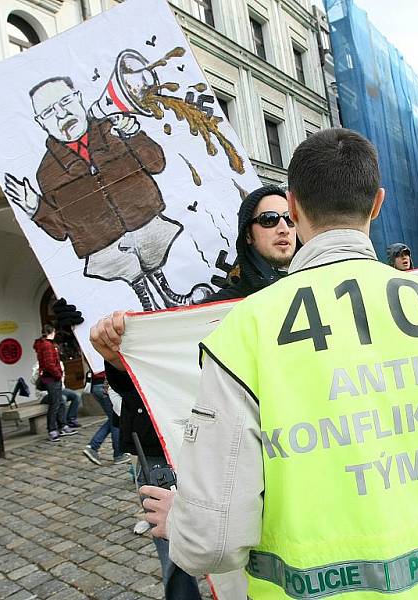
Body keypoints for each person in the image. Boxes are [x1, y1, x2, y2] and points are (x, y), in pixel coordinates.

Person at [140, 128, 418, 599]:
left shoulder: (246, 331)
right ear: (377, 203)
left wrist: (184, 519)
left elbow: (212, 544)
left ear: (294, 207)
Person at [90, 183, 296, 600]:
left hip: (295, 462)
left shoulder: (313, 293)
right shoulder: (217, 309)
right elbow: (175, 380)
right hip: (237, 462)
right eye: (270, 219)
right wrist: (119, 358)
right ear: (248, 234)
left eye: (291, 219)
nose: (283, 228)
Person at [4, 76, 210, 310]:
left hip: (145, 222)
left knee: (152, 254)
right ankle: (148, 304)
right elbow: (61, 232)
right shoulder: (46, 173)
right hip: (102, 244)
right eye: (50, 112)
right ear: (41, 122)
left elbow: (156, 164)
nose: (62, 115)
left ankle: (170, 296)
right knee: (128, 269)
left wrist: (134, 135)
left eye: (65, 102)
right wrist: (35, 208)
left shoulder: (114, 128)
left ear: (79, 97)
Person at [33, 324, 78, 442]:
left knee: (59, 402)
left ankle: (62, 426)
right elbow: (49, 364)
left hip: (51, 378)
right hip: (52, 379)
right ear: (52, 332)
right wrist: (58, 374)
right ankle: (52, 429)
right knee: (55, 404)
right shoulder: (47, 345)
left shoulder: (44, 344)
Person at [83, 372, 131, 465]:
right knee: (116, 419)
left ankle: (93, 446)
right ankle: (118, 454)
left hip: (98, 385)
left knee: (113, 419)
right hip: (105, 385)